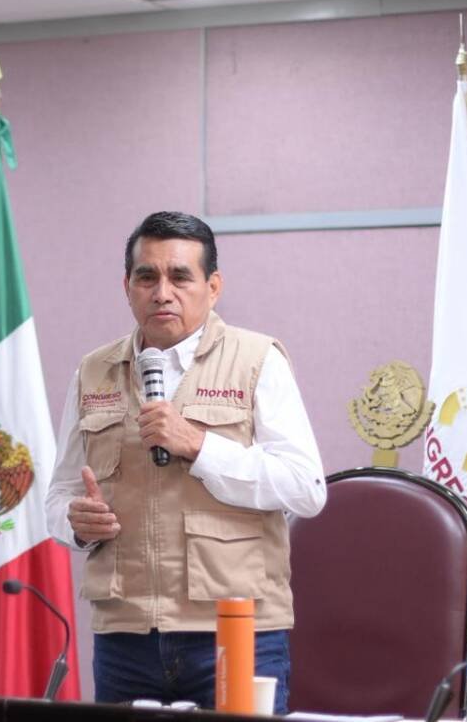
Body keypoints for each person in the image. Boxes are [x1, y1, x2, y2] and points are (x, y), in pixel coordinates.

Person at [45, 211, 325, 711]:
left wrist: (200, 446)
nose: (162, 293)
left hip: (235, 629)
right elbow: (60, 493)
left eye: (180, 277)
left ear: (212, 287)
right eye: (146, 277)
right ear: (127, 287)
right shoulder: (93, 371)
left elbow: (305, 488)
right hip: (125, 636)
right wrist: (75, 523)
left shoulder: (257, 359)